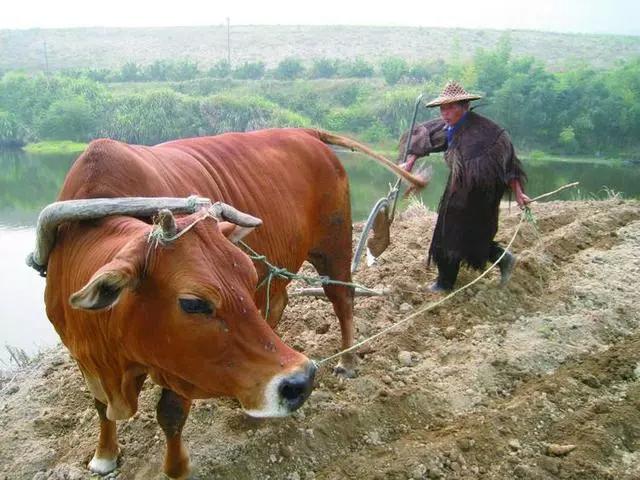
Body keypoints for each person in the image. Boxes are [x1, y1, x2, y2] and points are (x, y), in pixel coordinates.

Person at [402, 81, 530, 292]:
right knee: (457, 233)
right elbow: (429, 138)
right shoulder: (451, 125)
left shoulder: (488, 132)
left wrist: (518, 193)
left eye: (451, 107)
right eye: (443, 108)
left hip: (480, 195)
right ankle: (503, 259)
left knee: (458, 234)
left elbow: (510, 164)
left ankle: (445, 283)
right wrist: (410, 161)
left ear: (465, 106)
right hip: (458, 190)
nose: (445, 113)